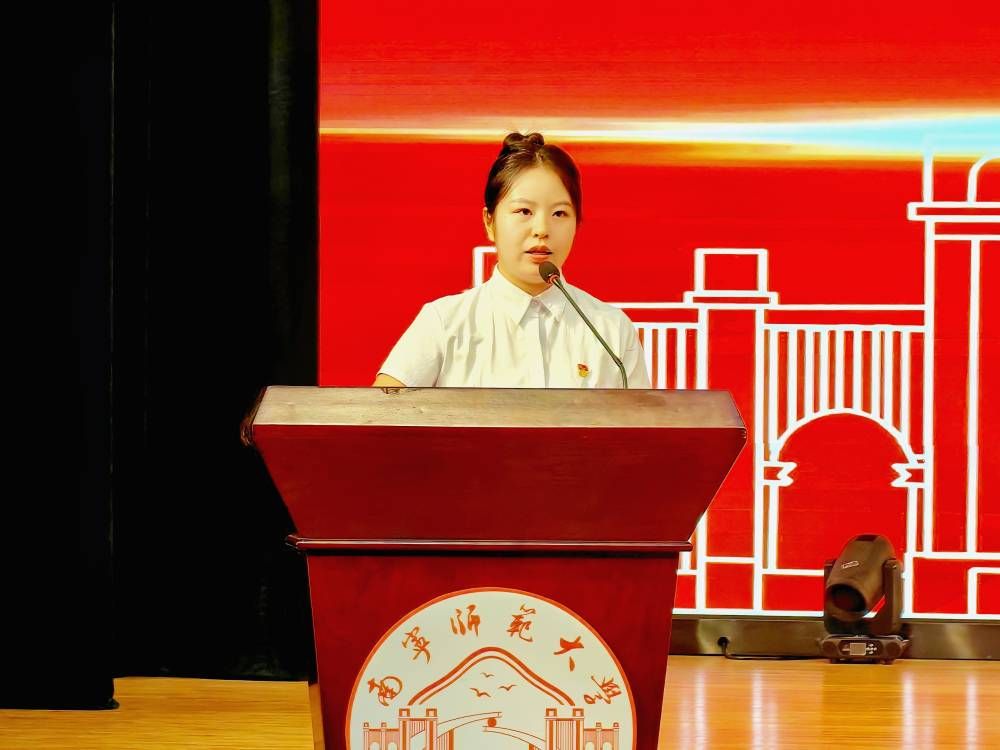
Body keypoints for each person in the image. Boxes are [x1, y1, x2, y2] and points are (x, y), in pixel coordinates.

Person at [373, 132, 650, 388]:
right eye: (524, 211)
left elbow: (641, 423)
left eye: (559, 214)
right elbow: (381, 414)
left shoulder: (611, 331)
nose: (541, 229)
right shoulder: (445, 322)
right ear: (489, 222)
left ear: (577, 223)